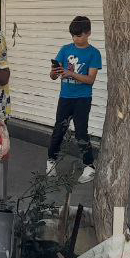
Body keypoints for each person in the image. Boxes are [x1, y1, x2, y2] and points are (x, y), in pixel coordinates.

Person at [46, 16, 103, 184]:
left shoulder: (94, 53)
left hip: (82, 98)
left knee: (81, 132)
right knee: (59, 130)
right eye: (73, 36)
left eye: (79, 36)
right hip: (65, 97)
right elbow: (53, 76)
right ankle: (51, 161)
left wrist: (70, 73)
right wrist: (55, 72)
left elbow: (90, 79)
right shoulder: (65, 49)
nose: (75, 39)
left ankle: (89, 166)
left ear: (88, 33)